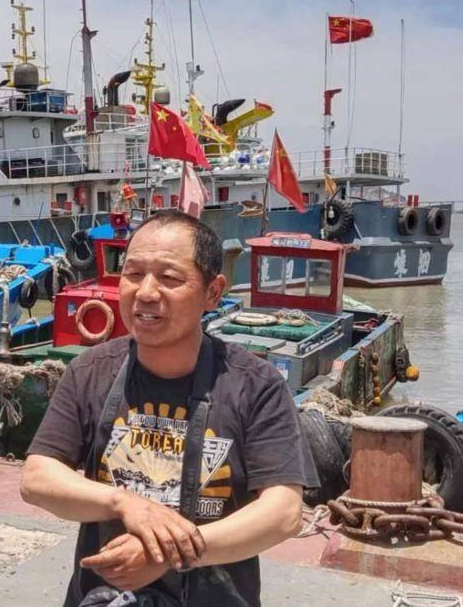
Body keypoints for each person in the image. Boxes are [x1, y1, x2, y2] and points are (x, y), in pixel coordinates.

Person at [21, 210, 319, 606]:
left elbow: (283, 512)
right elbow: (37, 478)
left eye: (169, 278)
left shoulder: (256, 385)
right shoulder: (90, 371)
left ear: (213, 292)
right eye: (133, 273)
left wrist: (171, 554)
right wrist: (124, 502)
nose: (146, 292)